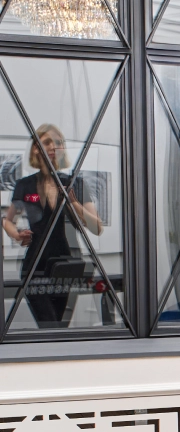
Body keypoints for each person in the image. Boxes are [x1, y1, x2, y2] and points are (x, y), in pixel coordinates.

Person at [2, 124, 102, 328]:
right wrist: (17, 235)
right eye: (47, 142)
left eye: (58, 143)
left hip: (67, 264)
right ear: (35, 148)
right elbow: (7, 220)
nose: (54, 147)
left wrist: (74, 204)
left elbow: (97, 227)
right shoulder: (24, 185)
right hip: (35, 266)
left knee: (59, 328)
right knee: (49, 325)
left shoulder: (75, 183)